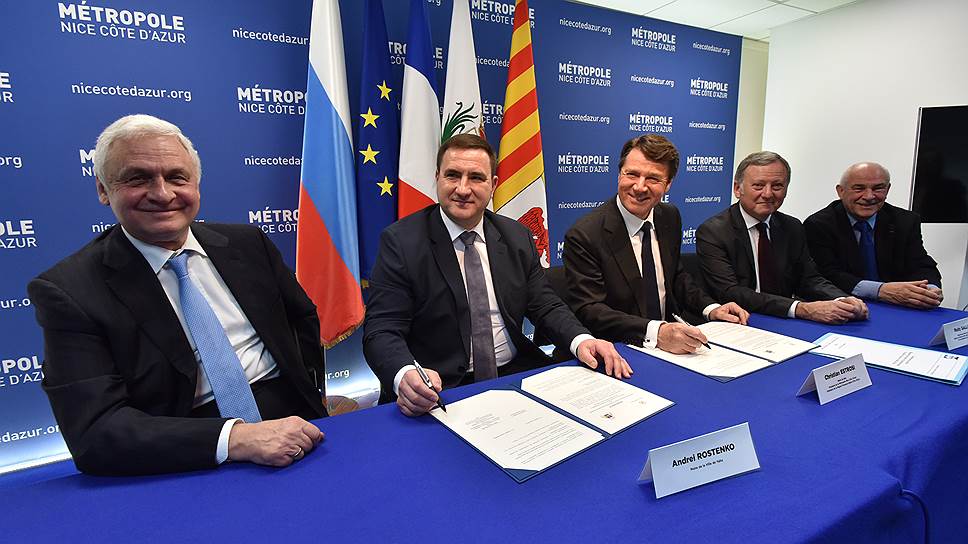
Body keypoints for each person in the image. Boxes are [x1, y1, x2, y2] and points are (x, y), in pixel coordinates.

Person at [28, 114, 326, 476]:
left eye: (176, 177)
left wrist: (315, 399)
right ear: (103, 190)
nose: (162, 193)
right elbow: (95, 433)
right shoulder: (69, 291)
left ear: (196, 185)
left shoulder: (249, 244)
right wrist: (236, 439)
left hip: (297, 423)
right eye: (137, 178)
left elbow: (302, 321)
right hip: (186, 452)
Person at [363, 134, 630, 416]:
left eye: (476, 178)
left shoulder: (516, 236)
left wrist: (582, 340)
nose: (462, 189)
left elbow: (545, 305)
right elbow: (382, 329)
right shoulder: (401, 242)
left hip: (517, 373)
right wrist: (404, 373)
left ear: (493, 184)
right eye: (452, 175)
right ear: (437, 178)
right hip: (441, 388)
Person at [562, 134, 749, 354]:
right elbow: (590, 310)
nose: (639, 187)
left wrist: (712, 308)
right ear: (619, 174)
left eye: (653, 179)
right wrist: (657, 332)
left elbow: (676, 277)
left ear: (668, 184)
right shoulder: (585, 234)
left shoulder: (669, 216)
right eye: (632, 174)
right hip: (617, 348)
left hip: (673, 346)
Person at [696, 151, 868, 323]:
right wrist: (801, 309)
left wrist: (841, 299)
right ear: (737, 189)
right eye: (758, 186)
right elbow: (730, 292)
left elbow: (809, 278)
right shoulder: (714, 231)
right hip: (740, 319)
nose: (768, 194)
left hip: (784, 318)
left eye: (777, 186)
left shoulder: (792, 226)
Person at [804, 162, 942, 309]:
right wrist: (880, 290)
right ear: (841, 191)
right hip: (845, 303)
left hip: (897, 305)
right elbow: (826, 274)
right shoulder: (819, 224)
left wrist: (930, 289)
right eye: (859, 188)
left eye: (878, 188)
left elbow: (920, 263)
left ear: (887, 189)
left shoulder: (905, 221)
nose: (869, 196)